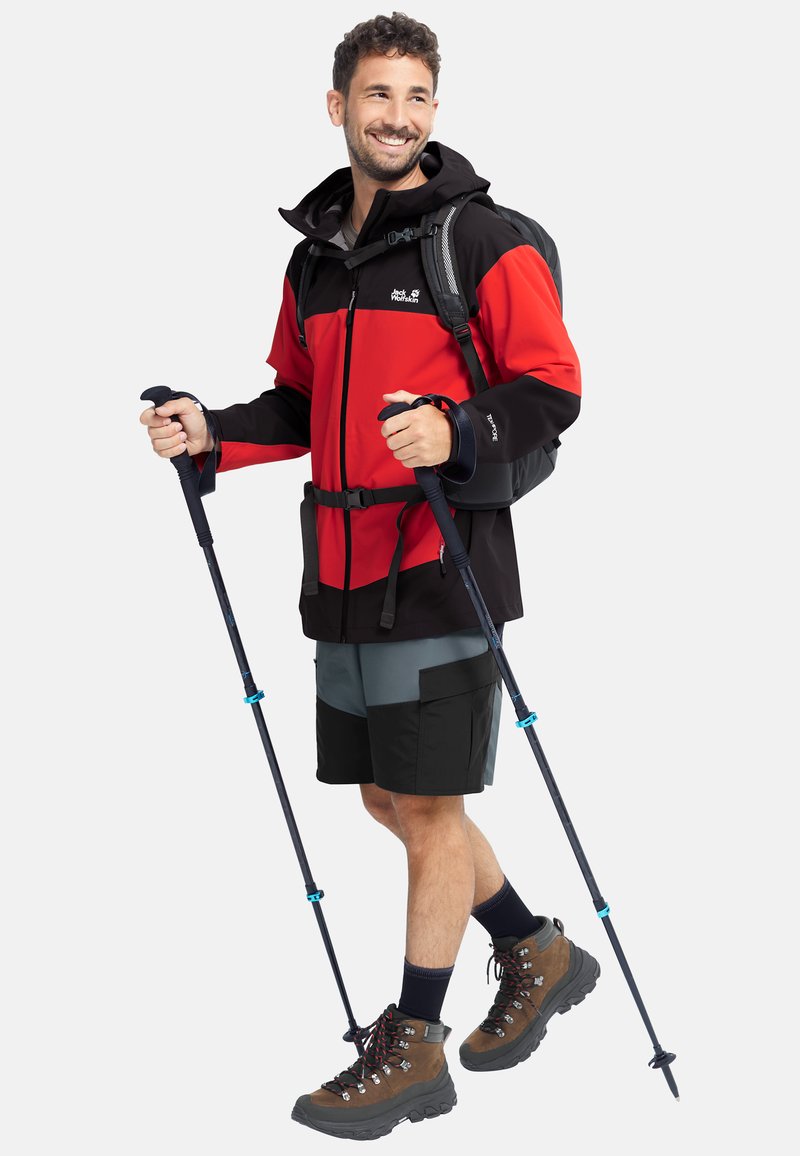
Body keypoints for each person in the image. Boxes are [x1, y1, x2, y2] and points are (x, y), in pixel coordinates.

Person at [140, 11, 597, 1141]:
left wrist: (458, 429)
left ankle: (414, 1046)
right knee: (386, 797)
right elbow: (300, 403)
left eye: (417, 96)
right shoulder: (315, 259)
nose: (398, 116)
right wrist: (211, 431)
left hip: (440, 562)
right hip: (340, 572)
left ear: (435, 110)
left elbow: (552, 387)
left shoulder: (479, 240)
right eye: (379, 95)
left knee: (430, 806)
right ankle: (534, 948)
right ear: (337, 105)